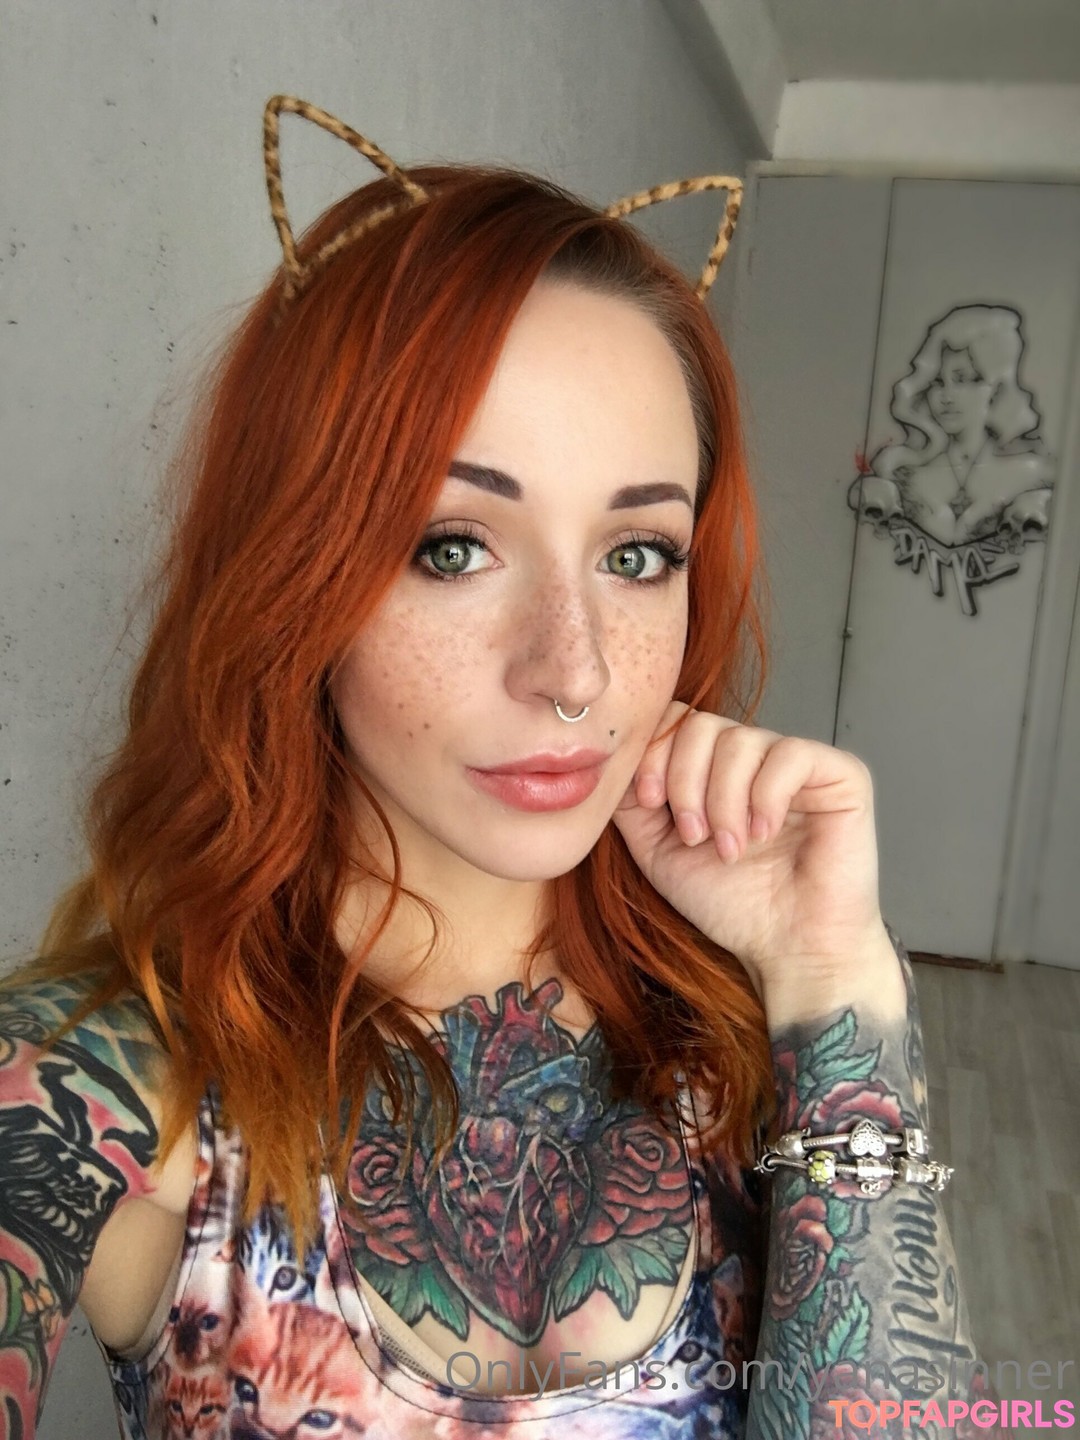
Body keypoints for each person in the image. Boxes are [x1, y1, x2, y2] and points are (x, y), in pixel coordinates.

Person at [2, 97, 1003, 1440]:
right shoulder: (109, 1074)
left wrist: (837, 982)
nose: (574, 671)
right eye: (453, 547)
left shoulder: (748, 1028)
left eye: (637, 555)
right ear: (295, 572)